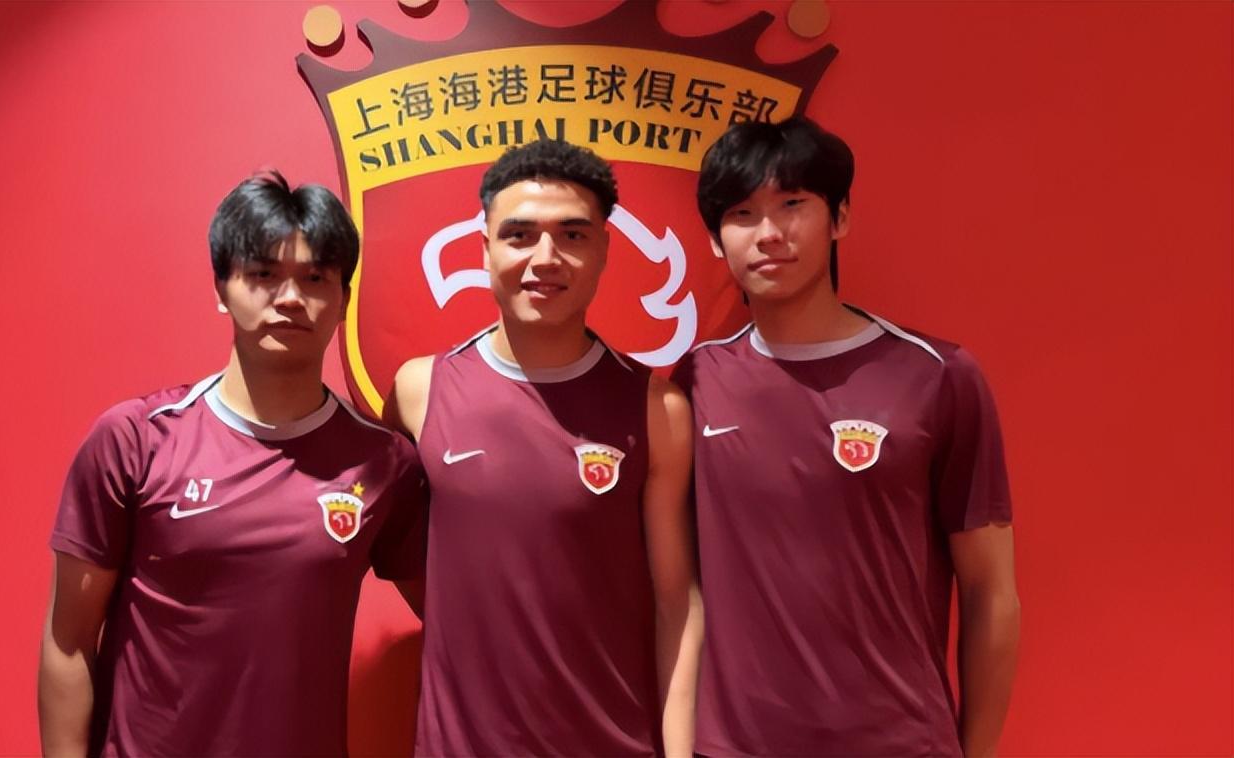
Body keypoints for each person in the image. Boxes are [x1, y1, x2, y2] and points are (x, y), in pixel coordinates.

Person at [38, 171, 427, 757]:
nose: (290, 298)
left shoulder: (383, 463)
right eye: (263, 274)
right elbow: (68, 642)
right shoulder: (137, 439)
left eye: (315, 278)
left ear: (344, 299)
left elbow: (460, 620)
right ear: (222, 288)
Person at [676, 117, 1021, 757]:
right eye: (742, 214)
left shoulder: (937, 375)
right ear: (716, 241)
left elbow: (991, 592)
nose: (769, 233)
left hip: (898, 743)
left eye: (793, 204)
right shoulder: (694, 383)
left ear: (839, 218)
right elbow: (677, 589)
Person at [383, 139, 702, 757]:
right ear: (485, 248)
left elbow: (677, 604)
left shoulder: (657, 410)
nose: (545, 258)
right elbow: (402, 555)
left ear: (604, 249)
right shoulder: (420, 390)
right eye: (520, 236)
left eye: (572, 236)